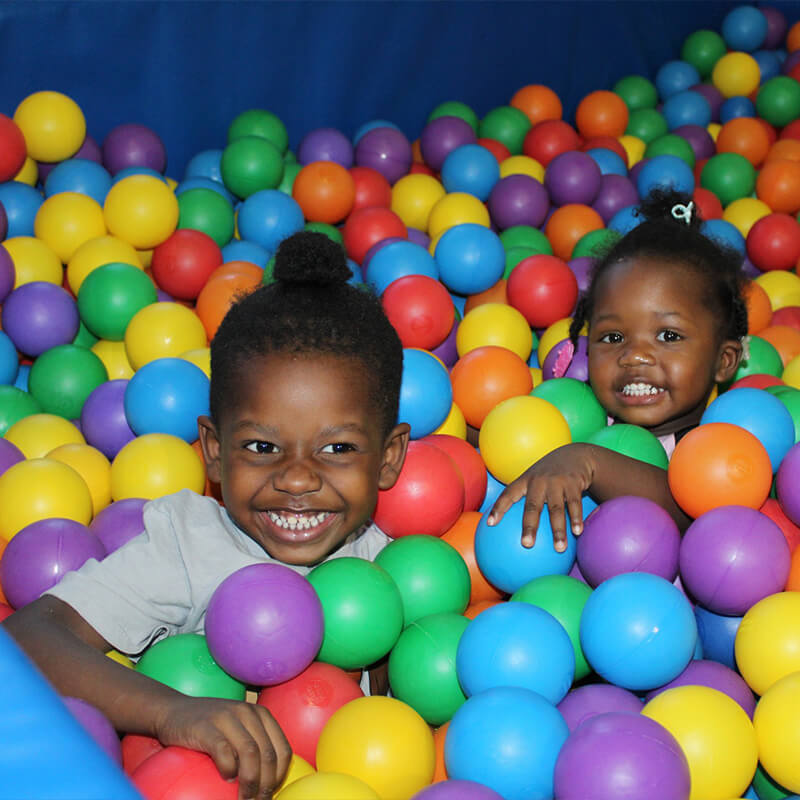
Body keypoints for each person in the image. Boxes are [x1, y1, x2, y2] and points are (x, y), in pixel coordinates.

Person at [3, 231, 410, 800]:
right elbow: (26, 639)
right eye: (262, 448)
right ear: (213, 450)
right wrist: (172, 712)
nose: (297, 478)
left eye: (337, 449)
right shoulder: (188, 548)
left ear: (389, 458)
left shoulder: (397, 570)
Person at [488, 189, 748, 552]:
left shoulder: (717, 446)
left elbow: (691, 515)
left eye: (668, 335)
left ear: (724, 361)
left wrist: (590, 462)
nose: (634, 356)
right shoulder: (570, 414)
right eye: (612, 336)